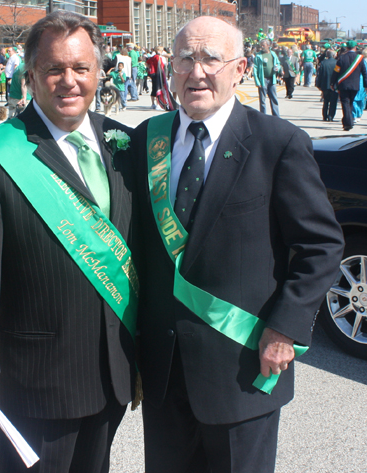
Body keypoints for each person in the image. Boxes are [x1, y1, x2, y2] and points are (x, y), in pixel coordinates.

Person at [131, 16, 344, 473]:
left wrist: (285, 329)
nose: (197, 71)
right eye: (185, 58)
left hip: (243, 366)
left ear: (241, 68)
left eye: (211, 58)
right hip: (165, 372)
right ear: (171, 68)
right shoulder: (146, 142)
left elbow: (320, 246)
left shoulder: (278, 142)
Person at [0, 10, 137, 473]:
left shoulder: (125, 145)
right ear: (30, 76)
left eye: (80, 69)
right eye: (54, 69)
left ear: (99, 73)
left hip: (113, 369)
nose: (68, 81)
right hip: (36, 378)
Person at [331, 40, 367, 131]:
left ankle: (348, 123)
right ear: (355, 48)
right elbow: (364, 73)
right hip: (355, 85)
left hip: (343, 85)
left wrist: (332, 83)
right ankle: (349, 120)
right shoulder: (360, 58)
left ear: (347, 48)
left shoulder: (341, 58)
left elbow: (336, 71)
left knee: (345, 103)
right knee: (350, 103)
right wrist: (366, 85)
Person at [253, 38, 281, 116]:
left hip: (272, 79)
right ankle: (263, 116)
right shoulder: (259, 55)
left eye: (264, 45)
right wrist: (257, 81)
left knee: (274, 99)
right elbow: (255, 69)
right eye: (261, 45)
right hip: (263, 80)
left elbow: (278, 64)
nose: (262, 46)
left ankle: (276, 116)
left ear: (268, 45)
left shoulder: (273, 54)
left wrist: (277, 68)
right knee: (262, 100)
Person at [316, 49, 339, 122]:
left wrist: (318, 85)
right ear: (333, 55)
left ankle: (324, 116)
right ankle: (331, 116)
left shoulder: (323, 63)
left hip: (325, 85)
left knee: (325, 101)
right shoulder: (337, 63)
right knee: (333, 102)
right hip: (334, 85)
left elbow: (319, 75)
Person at [352, 48, 367, 124]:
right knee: (362, 98)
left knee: (354, 98)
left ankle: (355, 114)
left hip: (358, 80)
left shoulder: (360, 61)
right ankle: (359, 114)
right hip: (364, 82)